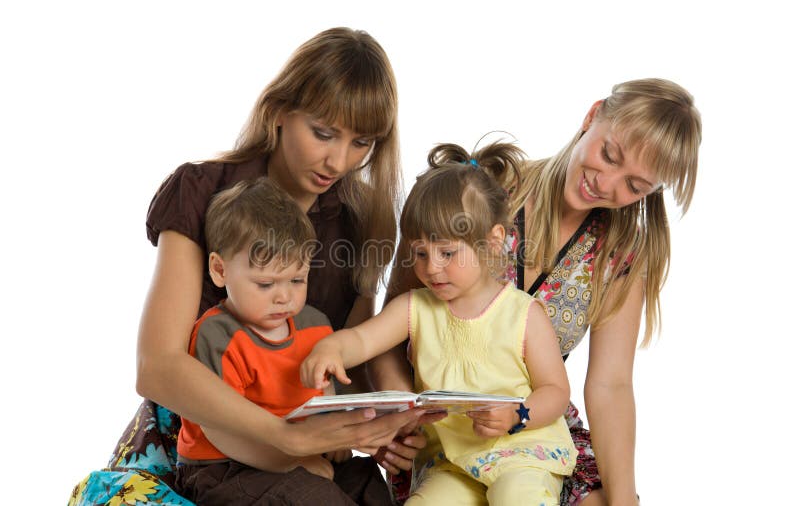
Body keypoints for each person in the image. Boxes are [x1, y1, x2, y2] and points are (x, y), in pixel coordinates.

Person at [69, 27, 424, 506]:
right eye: (323, 134)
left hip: (308, 442)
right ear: (279, 111)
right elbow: (157, 366)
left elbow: (351, 362)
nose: (339, 160)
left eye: (362, 143)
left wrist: (385, 425)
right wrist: (287, 440)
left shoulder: (359, 219)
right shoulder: (200, 191)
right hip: (200, 442)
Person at [375, 78, 701, 506]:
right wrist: (401, 415)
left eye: (635, 186)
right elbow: (392, 327)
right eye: (609, 155)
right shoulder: (478, 187)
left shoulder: (620, 256)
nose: (606, 184)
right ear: (592, 116)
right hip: (448, 429)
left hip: (539, 430)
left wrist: (625, 502)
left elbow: (610, 386)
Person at [302, 142, 578, 505]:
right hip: (453, 463)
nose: (431, 267)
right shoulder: (414, 308)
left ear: (493, 241)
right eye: (419, 253)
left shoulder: (524, 313)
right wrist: (331, 348)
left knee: (517, 498)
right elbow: (363, 341)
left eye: (447, 253)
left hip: (522, 452)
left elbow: (556, 391)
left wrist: (517, 414)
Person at [173, 176, 392, 504]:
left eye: (297, 279)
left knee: (366, 480)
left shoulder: (314, 324)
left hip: (301, 452)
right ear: (220, 270)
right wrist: (293, 462)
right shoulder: (218, 335)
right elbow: (221, 430)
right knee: (314, 497)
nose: (284, 298)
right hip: (225, 463)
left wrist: (333, 437)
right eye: (265, 284)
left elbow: (324, 392)